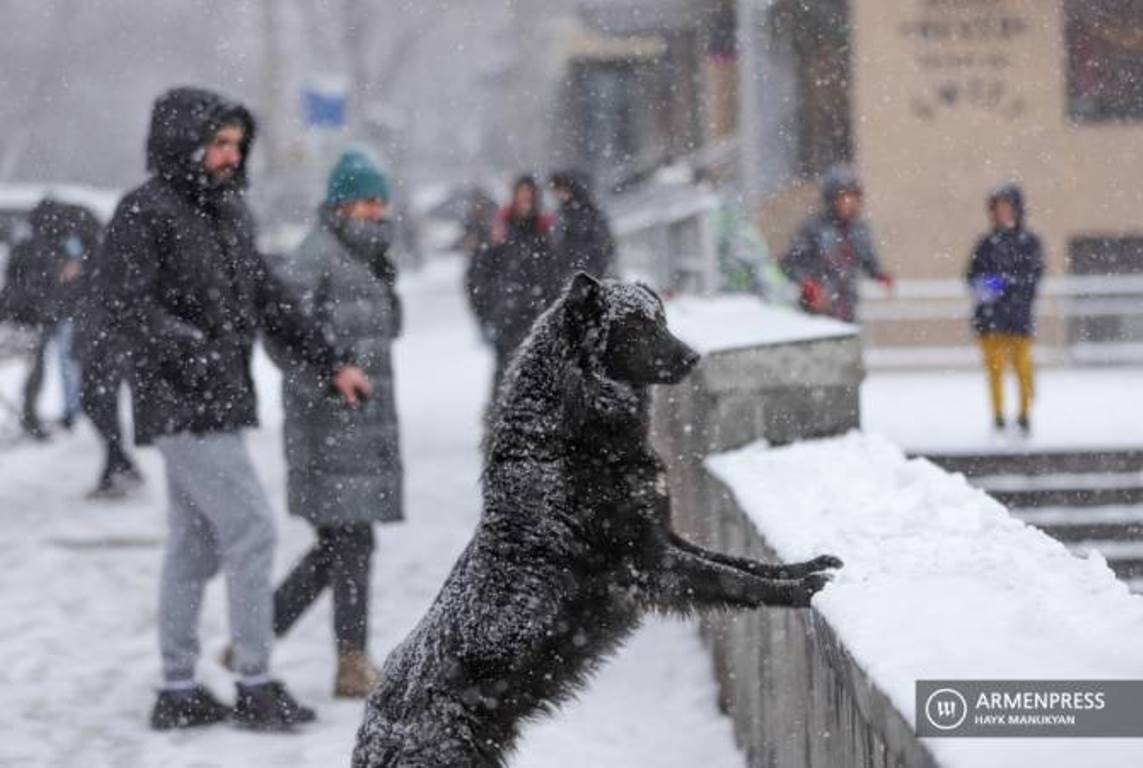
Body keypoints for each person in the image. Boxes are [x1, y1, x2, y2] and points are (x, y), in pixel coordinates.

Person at [99, 86, 371, 732]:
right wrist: (189, 350)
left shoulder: (226, 215)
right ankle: (255, 681)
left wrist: (331, 360)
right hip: (181, 404)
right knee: (251, 530)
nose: (228, 156)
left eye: (236, 145)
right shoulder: (145, 212)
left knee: (194, 547)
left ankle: (178, 687)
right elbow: (124, 305)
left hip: (217, 400)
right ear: (181, 142)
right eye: (217, 143)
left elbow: (271, 300)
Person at [264, 150, 404, 698]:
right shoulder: (314, 257)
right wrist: (327, 381)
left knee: (341, 546)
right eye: (368, 201)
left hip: (361, 425)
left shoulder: (364, 256)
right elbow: (281, 336)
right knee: (349, 542)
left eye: (381, 201)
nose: (377, 211)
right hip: (329, 425)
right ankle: (349, 663)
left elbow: (385, 330)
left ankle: (258, 633)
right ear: (341, 202)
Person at [0, 199, 95, 439]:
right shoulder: (63, 245)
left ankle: (33, 415)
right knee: (59, 364)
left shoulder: (28, 246)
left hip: (32, 317)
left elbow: (13, 284)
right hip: (50, 314)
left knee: (42, 366)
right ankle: (64, 413)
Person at [465, 175, 560, 396]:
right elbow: (479, 274)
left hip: (539, 318)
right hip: (508, 320)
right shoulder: (500, 231)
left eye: (530, 195)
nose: (525, 200)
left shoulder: (545, 231)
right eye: (521, 194)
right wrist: (489, 311)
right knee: (506, 383)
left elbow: (555, 275)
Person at [966, 183, 1044, 434]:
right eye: (998, 209)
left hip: (1018, 319)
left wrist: (1002, 283)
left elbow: (1032, 278)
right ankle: (998, 414)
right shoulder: (986, 243)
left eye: (1006, 208)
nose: (1002, 214)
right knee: (995, 369)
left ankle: (1024, 413)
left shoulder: (1029, 243)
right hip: (991, 321)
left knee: (1022, 368)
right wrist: (998, 283)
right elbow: (972, 277)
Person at [781, 164, 894, 322]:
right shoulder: (814, 229)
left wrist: (880, 275)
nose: (851, 203)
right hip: (816, 312)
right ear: (832, 199)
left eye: (855, 197)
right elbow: (791, 264)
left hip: (847, 308)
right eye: (845, 198)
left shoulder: (859, 230)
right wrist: (809, 286)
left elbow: (868, 259)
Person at [548, 170, 616, 280]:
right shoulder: (561, 213)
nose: (559, 194)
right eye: (557, 189)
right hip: (571, 273)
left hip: (590, 272)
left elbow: (602, 243)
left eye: (562, 188)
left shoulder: (589, 212)